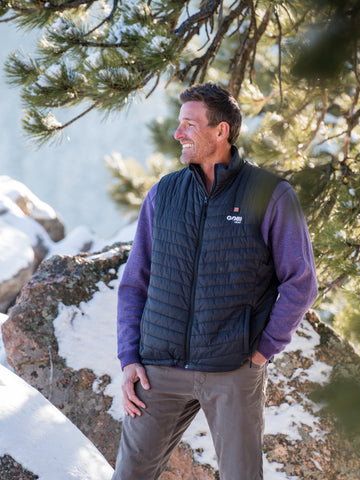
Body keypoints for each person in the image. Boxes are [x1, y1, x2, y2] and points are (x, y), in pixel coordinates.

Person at [112, 82, 318, 480]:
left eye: (189, 124)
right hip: (159, 369)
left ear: (220, 131)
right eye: (179, 124)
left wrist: (260, 352)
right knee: (130, 475)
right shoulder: (164, 194)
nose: (178, 134)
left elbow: (301, 282)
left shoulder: (269, 194)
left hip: (231, 368)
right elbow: (136, 281)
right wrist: (129, 357)